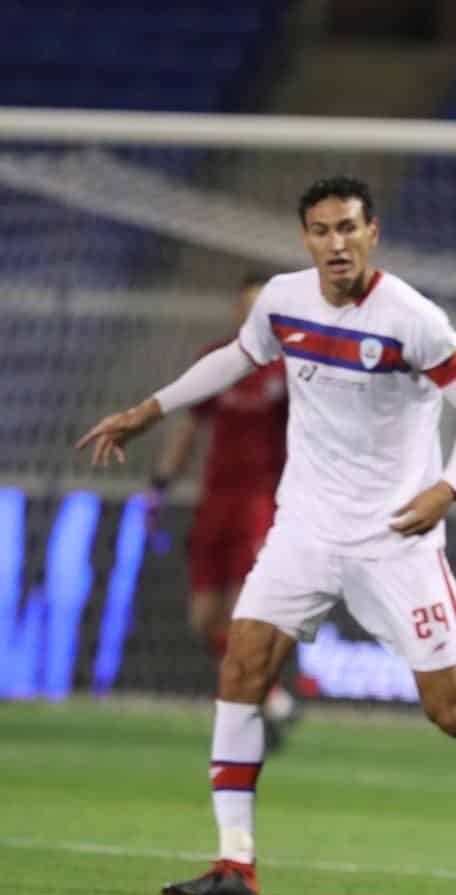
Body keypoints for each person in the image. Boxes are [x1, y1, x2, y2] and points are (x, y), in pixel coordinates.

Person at [77, 175, 456, 895]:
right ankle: (235, 860)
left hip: (396, 537)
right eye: (321, 230)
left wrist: (447, 488)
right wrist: (148, 410)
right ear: (305, 238)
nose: (336, 243)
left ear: (372, 232)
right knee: (243, 665)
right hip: (306, 525)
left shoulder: (412, 318)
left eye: (349, 228)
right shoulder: (284, 301)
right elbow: (235, 360)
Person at [148, 273, 299, 748]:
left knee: (241, 612)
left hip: (262, 503)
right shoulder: (218, 361)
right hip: (215, 502)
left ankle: (252, 707)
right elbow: (190, 428)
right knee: (203, 619)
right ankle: (271, 699)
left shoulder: (290, 369)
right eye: (246, 306)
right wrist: (161, 482)